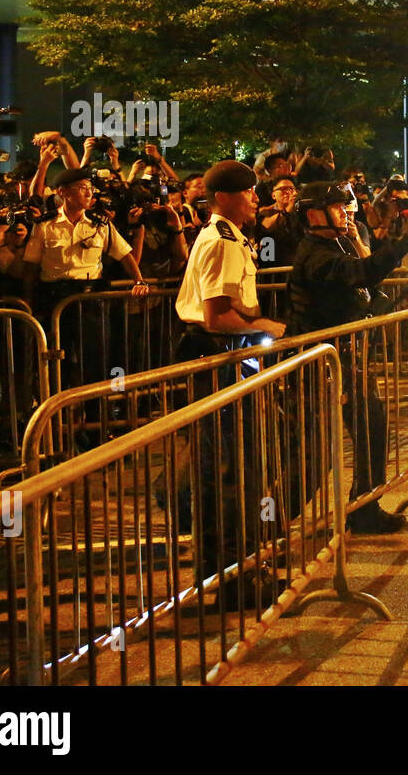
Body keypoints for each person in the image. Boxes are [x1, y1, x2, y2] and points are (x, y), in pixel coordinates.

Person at [287, 182, 408, 534]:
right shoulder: (315, 253)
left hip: (345, 360)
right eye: (336, 208)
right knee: (313, 456)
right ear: (313, 215)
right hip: (318, 365)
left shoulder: (335, 242)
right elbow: (360, 274)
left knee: (371, 426)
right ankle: (262, 532)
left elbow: (366, 280)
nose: (345, 213)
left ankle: (365, 506)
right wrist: (406, 243)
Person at [173, 160, 287, 586]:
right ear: (223, 197)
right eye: (249, 191)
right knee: (229, 469)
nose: (257, 198)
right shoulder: (222, 241)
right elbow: (217, 317)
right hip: (220, 356)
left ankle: (235, 564)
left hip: (226, 356)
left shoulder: (229, 236)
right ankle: (231, 574)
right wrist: (267, 327)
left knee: (232, 464)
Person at [23, 167, 149, 389]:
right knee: (55, 358)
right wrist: (29, 300)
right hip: (55, 298)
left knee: (95, 357)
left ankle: (94, 414)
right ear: (64, 192)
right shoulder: (44, 225)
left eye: (90, 189)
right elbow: (31, 266)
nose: (89, 193)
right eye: (82, 188)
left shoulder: (99, 223)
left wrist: (139, 280)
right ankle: (57, 412)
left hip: (90, 299)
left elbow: (124, 254)